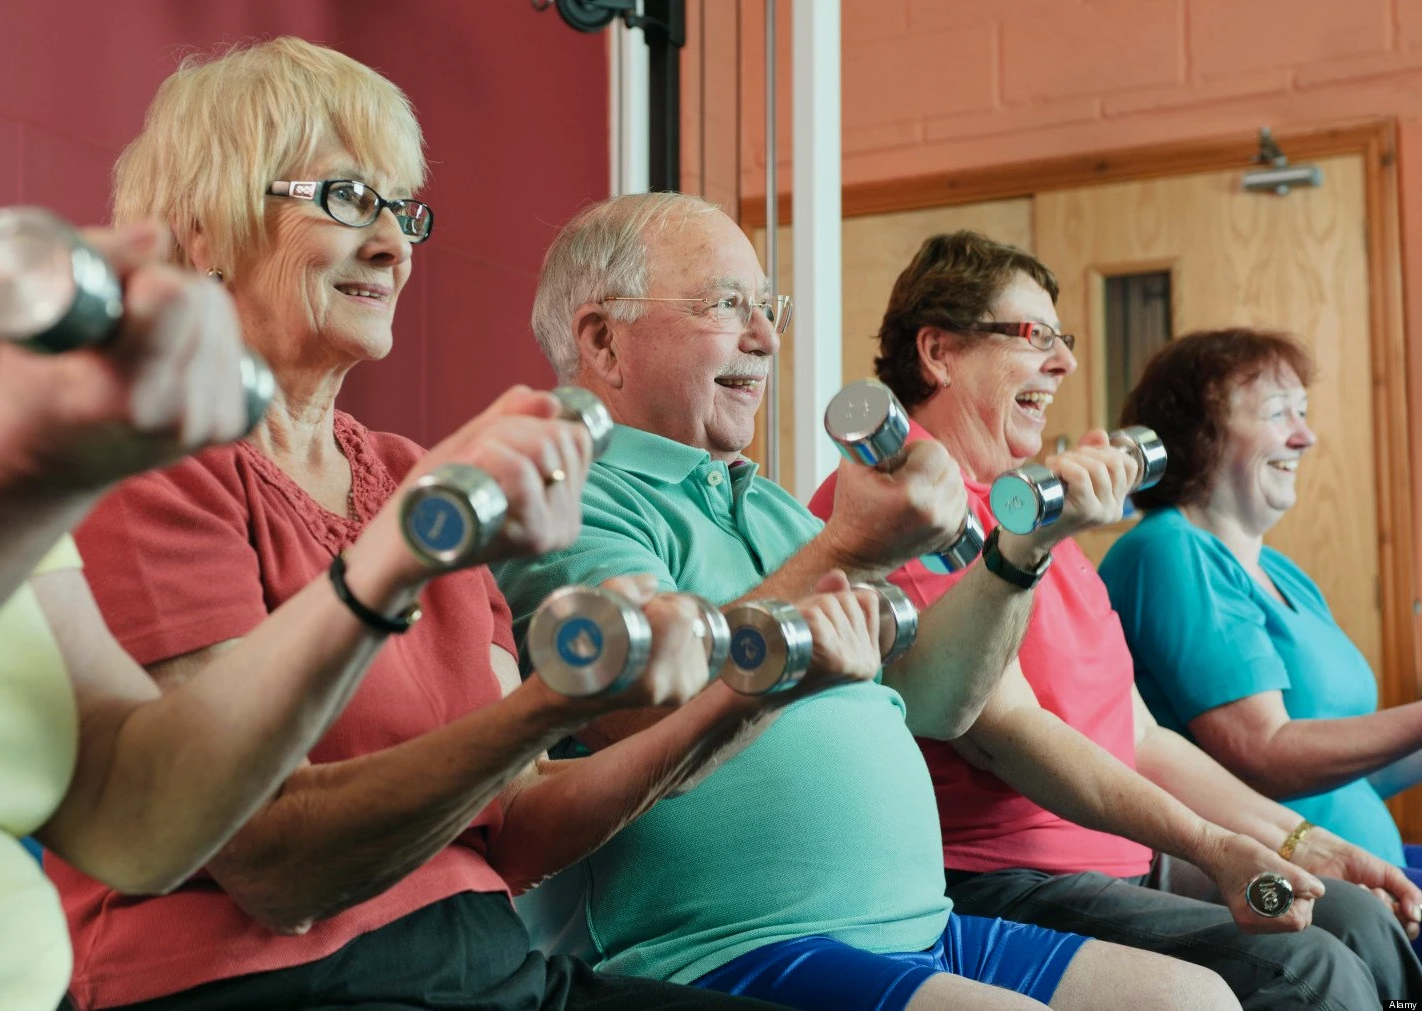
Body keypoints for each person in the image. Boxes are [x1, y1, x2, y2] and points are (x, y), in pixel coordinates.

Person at [49, 37, 856, 1011]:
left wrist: (749, 689)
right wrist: (552, 702)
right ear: (205, 231)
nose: (393, 244)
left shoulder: (406, 474)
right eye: (347, 200)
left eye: (401, 210)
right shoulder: (151, 466)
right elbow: (274, 866)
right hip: (271, 982)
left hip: (485, 963)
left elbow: (517, 824)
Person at [496, 191, 1239, 1011]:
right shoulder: (570, 495)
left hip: (920, 922)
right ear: (602, 339)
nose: (766, 337)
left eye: (766, 306)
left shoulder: (772, 506)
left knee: (1193, 999)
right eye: (726, 305)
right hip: (723, 948)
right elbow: (640, 715)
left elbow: (937, 700)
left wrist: (1019, 550)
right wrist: (845, 547)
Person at [812, 229, 1422, 1009]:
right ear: (939, 352)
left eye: (1063, 339)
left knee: (1361, 920)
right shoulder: (901, 501)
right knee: (1308, 967)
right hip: (1004, 877)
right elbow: (1001, 732)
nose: (1065, 362)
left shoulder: (1038, 520)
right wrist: (1215, 847)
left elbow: (1142, 737)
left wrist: (1304, 841)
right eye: (1035, 335)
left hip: (1119, 861)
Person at [1099, 327, 1422, 892]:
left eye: (1303, 411)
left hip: (1363, 883)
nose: (1305, 436)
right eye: (1279, 413)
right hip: (1277, 893)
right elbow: (1262, 753)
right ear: (1201, 434)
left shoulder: (1281, 572)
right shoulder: (1170, 551)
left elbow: (1346, 778)